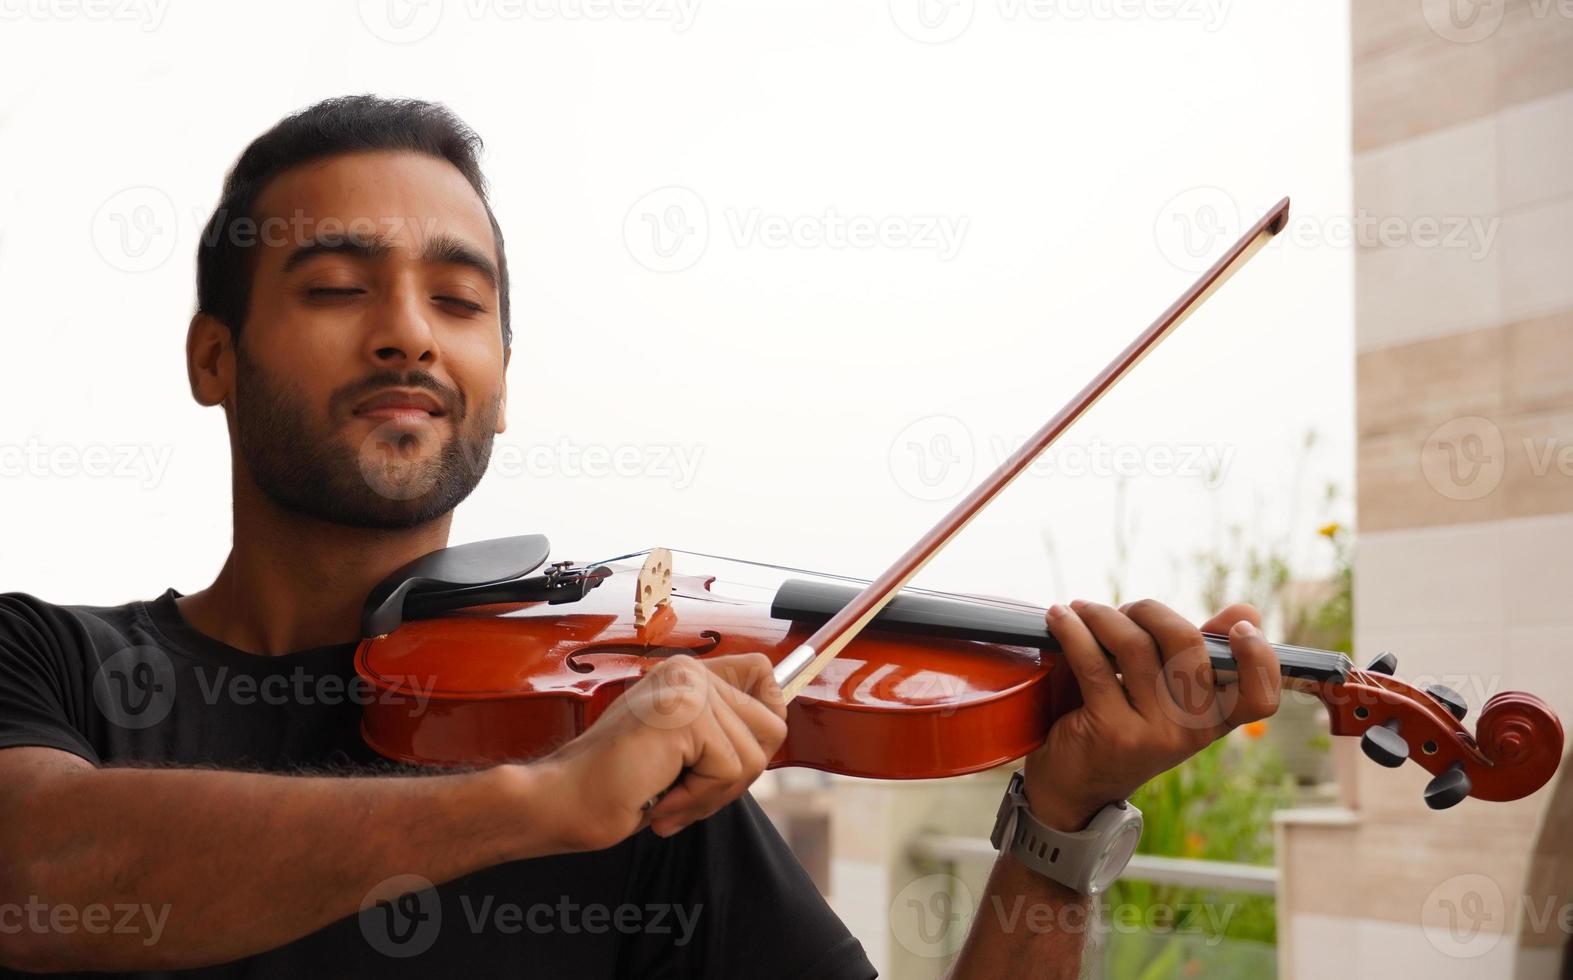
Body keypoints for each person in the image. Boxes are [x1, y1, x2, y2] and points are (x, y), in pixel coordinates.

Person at [0, 95, 1281, 978]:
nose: (410, 332)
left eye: (459, 299)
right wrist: (535, 804)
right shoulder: (53, 665)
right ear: (212, 356)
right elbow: (39, 868)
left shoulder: (640, 771)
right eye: (336, 286)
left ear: (500, 375)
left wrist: (1059, 830)